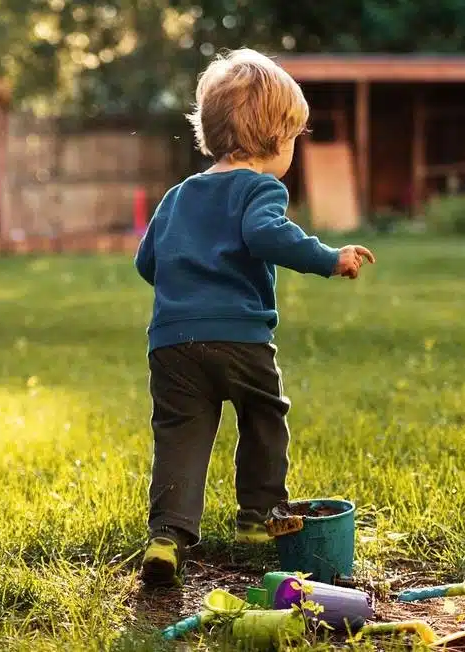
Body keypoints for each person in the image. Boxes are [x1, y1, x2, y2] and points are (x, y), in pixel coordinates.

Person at [133, 48, 376, 587]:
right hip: (239, 337)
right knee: (264, 415)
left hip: (172, 343)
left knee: (179, 434)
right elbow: (266, 234)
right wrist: (328, 257)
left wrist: (187, 291)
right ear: (275, 139)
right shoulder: (261, 188)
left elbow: (147, 262)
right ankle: (258, 517)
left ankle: (167, 537)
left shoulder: (176, 196)